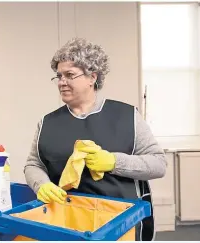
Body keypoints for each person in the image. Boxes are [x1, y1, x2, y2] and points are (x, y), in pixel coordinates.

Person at [24, 37, 167, 241]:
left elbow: (159, 164)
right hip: (66, 223)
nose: (62, 82)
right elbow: (33, 164)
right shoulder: (47, 123)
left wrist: (114, 162)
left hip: (119, 224)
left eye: (69, 75)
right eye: (59, 76)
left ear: (92, 77)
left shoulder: (127, 116)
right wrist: (41, 184)